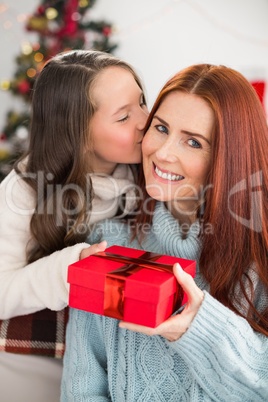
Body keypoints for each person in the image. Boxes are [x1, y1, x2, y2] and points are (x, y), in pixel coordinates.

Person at [61, 63, 268, 401]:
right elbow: (82, 387)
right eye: (161, 128)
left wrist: (198, 327)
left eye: (194, 142)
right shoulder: (109, 243)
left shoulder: (259, 260)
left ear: (230, 158)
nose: (163, 152)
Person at [0, 49, 148, 402]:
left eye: (143, 102)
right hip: (37, 352)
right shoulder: (24, 190)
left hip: (120, 352)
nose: (147, 120)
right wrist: (73, 270)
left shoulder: (149, 166)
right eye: (124, 117)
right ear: (78, 134)